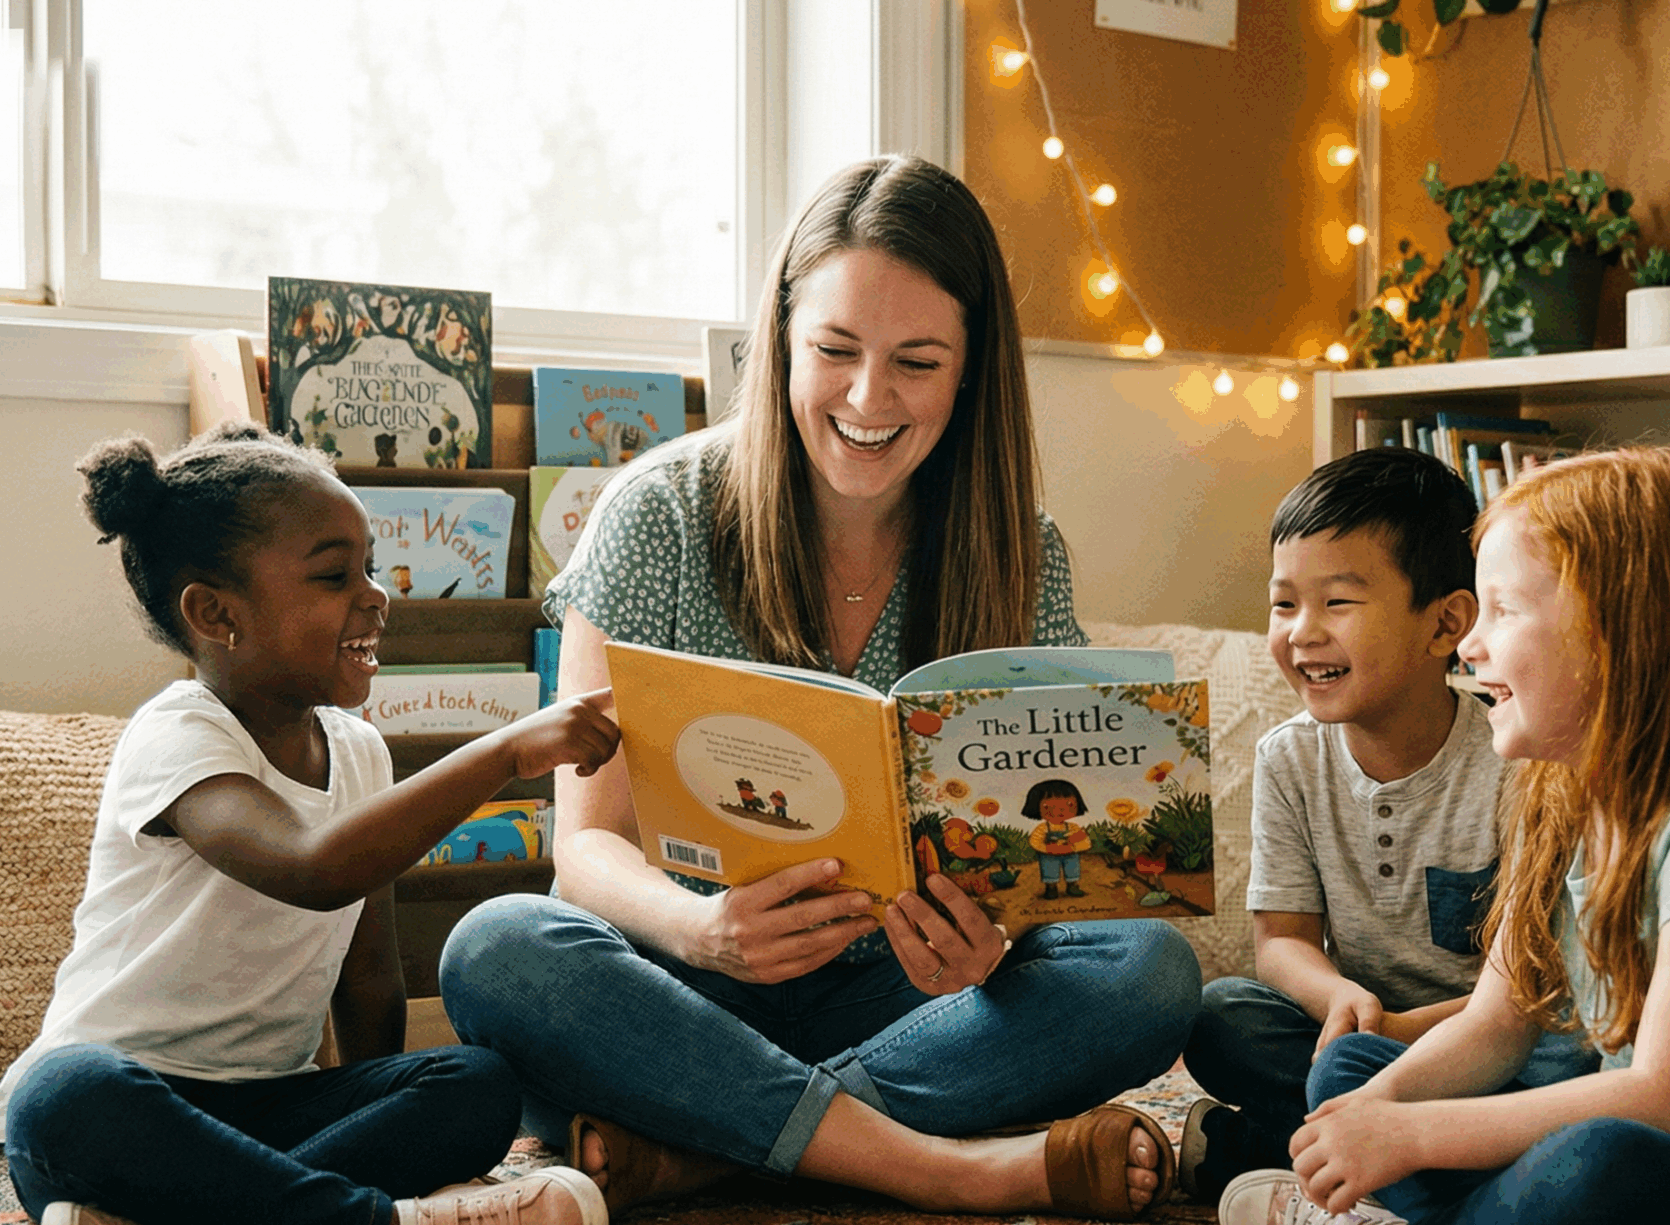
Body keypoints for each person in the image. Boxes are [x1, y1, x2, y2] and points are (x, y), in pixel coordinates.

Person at [438, 154, 1201, 1221]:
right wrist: (701, 931)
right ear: (780, 341)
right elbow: (586, 849)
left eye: (917, 362)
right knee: (496, 948)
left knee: (1149, 968)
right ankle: (940, 1165)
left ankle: (713, 1146)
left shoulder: (1021, 552)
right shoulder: (657, 512)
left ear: (972, 368)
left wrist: (998, 936)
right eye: (834, 350)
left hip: (908, 999)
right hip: (686, 979)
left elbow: (1059, 870)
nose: (867, 398)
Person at [1224, 448, 1670, 1225]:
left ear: (1620, 630)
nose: (1469, 645)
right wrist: (1368, 1113)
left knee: (1594, 1159)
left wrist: (1413, 1132)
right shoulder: (1557, 796)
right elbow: (1494, 1026)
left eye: (1504, 611)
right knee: (1351, 1071)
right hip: (1633, 1165)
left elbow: (1662, 1100)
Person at [0, 422, 626, 1225]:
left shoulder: (358, 752)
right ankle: (381, 1219)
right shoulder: (179, 733)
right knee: (64, 1093)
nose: (375, 592)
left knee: (475, 1085)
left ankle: (219, 1214)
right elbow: (312, 867)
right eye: (334, 576)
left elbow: (367, 977)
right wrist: (503, 751)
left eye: (368, 565)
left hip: (270, 1109)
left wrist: (392, 1105)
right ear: (215, 613)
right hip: (130, 1107)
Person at [1177, 447, 1591, 1204]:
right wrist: (1339, 996)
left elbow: (1531, 997)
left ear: (1445, 625)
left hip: (1488, 1039)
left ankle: (1276, 1148)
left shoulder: (1518, 760)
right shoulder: (1290, 758)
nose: (1302, 632)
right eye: (1283, 603)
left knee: (1567, 1065)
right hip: (1359, 1031)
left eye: (1337, 603)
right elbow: (1282, 941)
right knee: (1222, 1018)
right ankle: (1359, 1148)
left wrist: (1400, 1032)